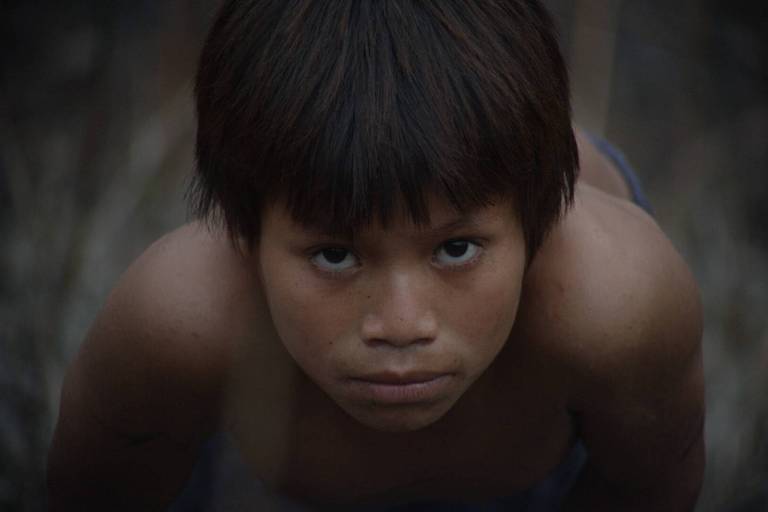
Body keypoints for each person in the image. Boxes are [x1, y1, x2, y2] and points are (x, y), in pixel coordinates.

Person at [47, 1, 705, 510]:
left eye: (455, 250)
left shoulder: (614, 307)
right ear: (244, 234)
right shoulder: (177, 325)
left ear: (539, 232)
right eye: (335, 257)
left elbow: (652, 486)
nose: (400, 324)